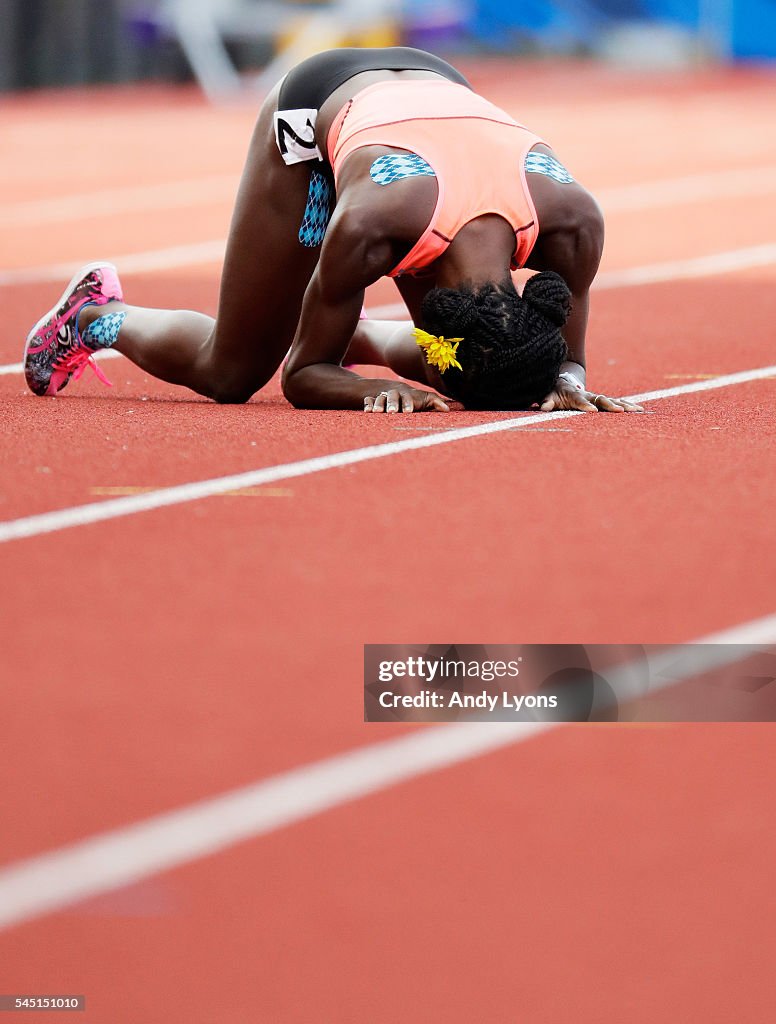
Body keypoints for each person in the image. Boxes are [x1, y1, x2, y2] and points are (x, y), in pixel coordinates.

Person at [24, 46, 642, 415]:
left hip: (437, 87)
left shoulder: (573, 221)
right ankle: (93, 315)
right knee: (232, 372)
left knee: (463, 367)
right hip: (316, 104)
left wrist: (565, 379)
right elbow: (302, 374)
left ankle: (347, 318)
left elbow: (569, 358)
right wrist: (368, 390)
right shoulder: (372, 226)